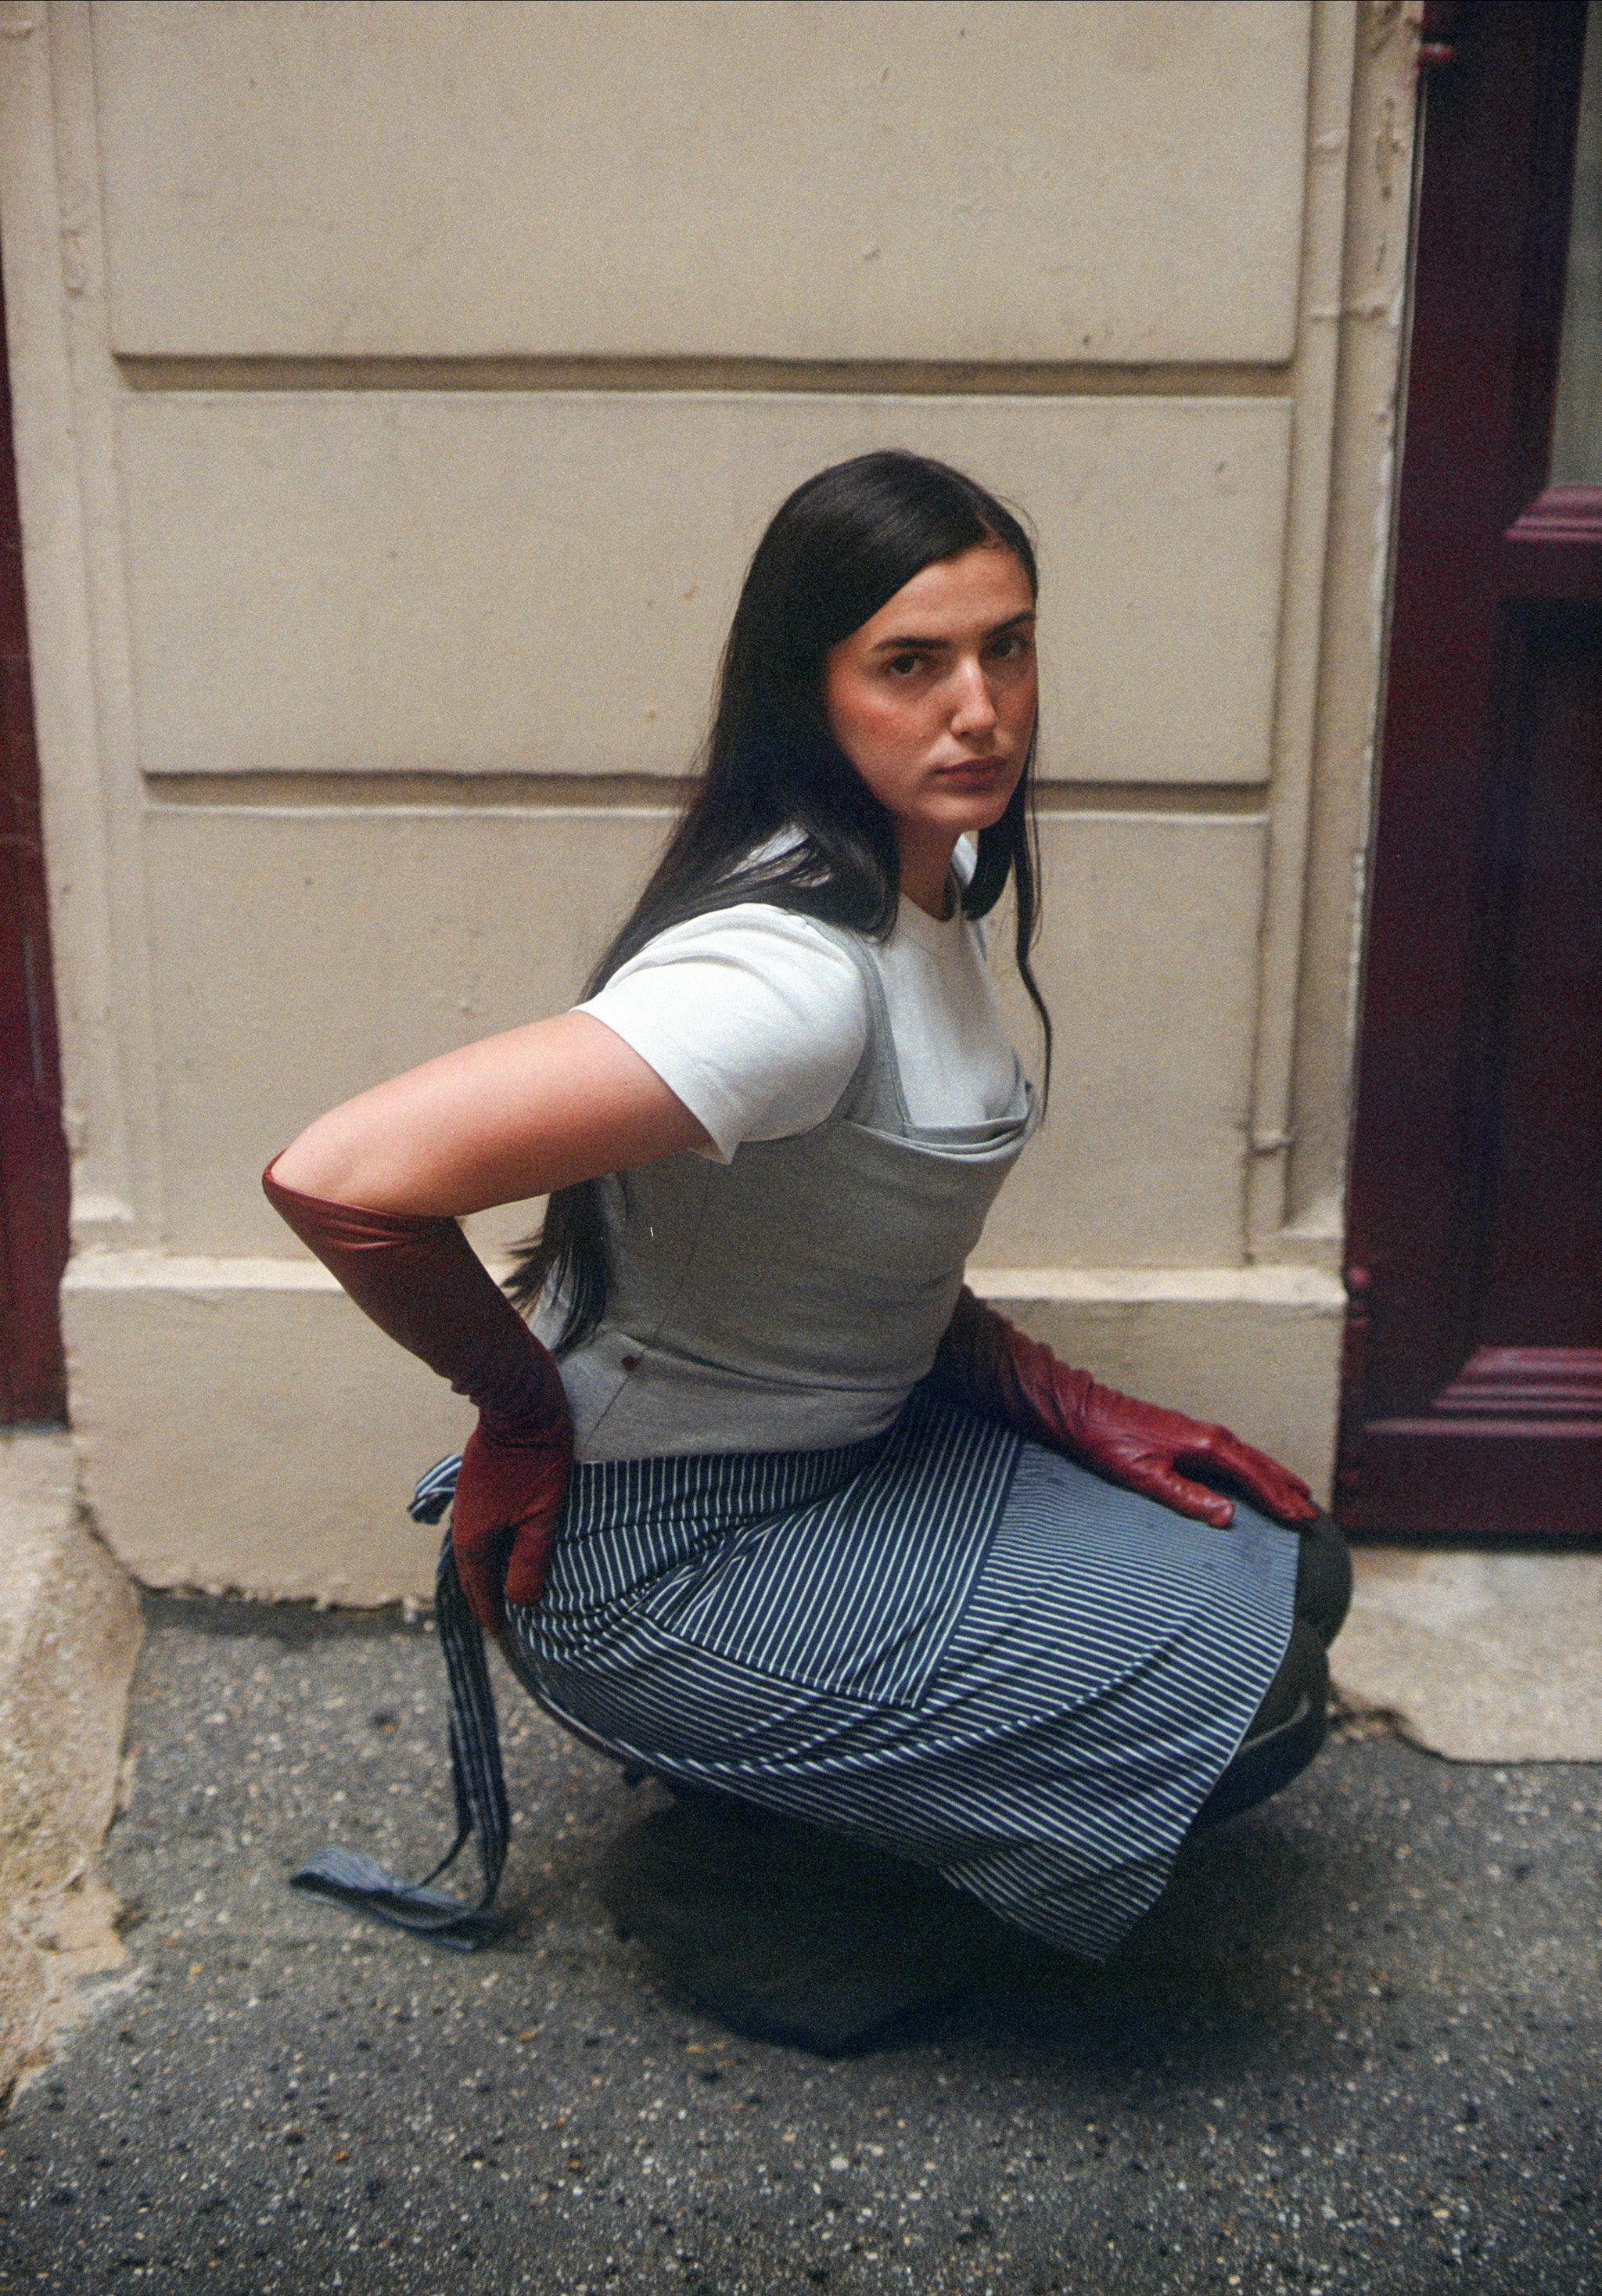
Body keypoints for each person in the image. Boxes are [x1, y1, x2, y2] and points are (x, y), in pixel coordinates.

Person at [264, 450, 1349, 1965]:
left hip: (841, 1457)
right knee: (1262, 1708)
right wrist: (515, 1413)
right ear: (808, 690)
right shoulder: (785, 981)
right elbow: (342, 1176)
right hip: (655, 1554)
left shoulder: (928, 870)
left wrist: (1065, 1400)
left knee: (1293, 1560)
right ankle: (749, 1889)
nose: (981, 708)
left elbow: (846, 1242)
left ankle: (830, 1782)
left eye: (1008, 647)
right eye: (911, 664)